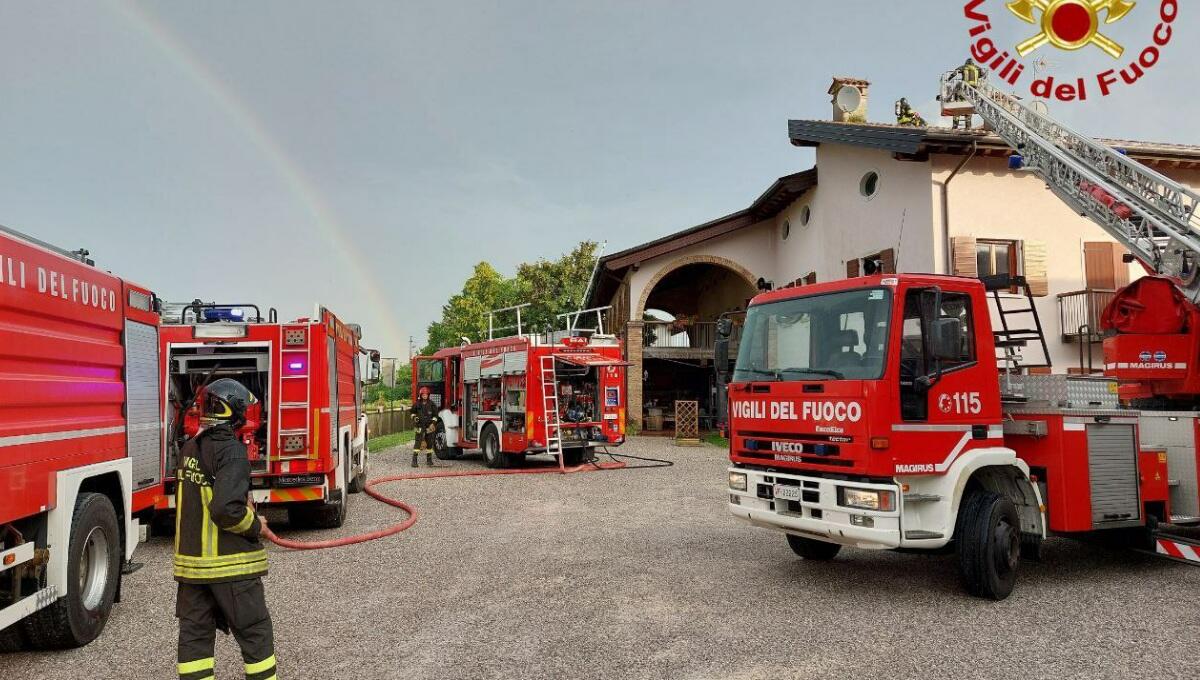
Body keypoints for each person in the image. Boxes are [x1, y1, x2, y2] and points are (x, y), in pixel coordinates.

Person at [174, 379, 277, 680]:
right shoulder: (231, 452)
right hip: (229, 567)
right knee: (256, 633)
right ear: (234, 411)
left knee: (195, 641)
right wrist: (256, 525)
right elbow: (225, 509)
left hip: (193, 569)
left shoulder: (190, 449)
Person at [411, 387, 438, 467]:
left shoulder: (432, 404)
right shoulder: (416, 404)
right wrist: (414, 418)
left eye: (426, 394)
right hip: (419, 426)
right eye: (423, 394)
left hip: (429, 427)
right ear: (421, 395)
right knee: (418, 443)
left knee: (429, 443)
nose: (425, 396)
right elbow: (412, 413)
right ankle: (414, 461)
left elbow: (435, 416)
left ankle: (429, 460)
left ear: (428, 395)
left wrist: (433, 423)